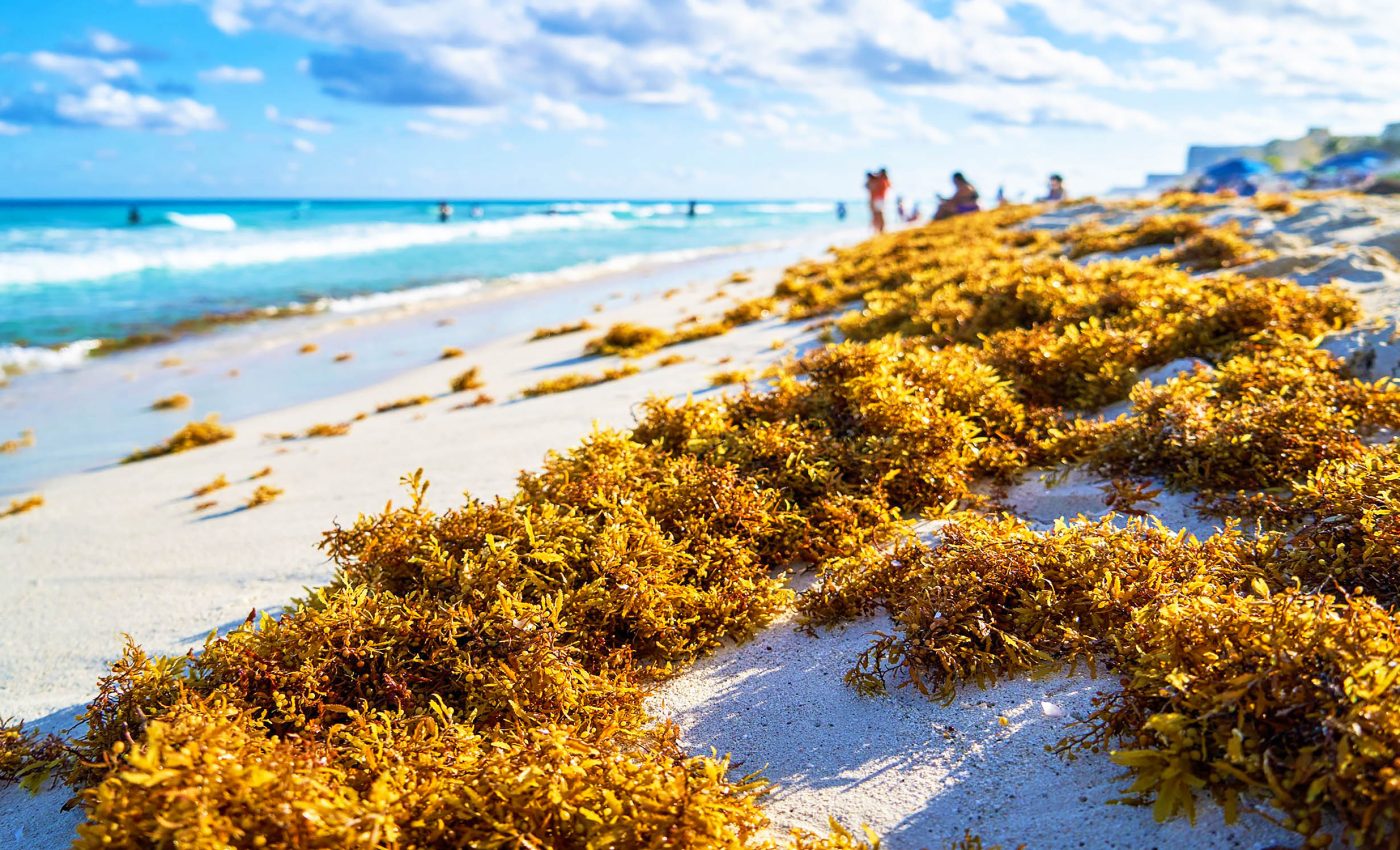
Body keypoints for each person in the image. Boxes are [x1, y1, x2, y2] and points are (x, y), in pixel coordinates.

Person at [865, 168, 891, 233]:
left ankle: (880, 229)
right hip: (878, 199)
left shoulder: (882, 180)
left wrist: (874, 177)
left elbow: (867, 186)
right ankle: (879, 229)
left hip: (878, 199)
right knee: (878, 214)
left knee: (878, 214)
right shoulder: (883, 180)